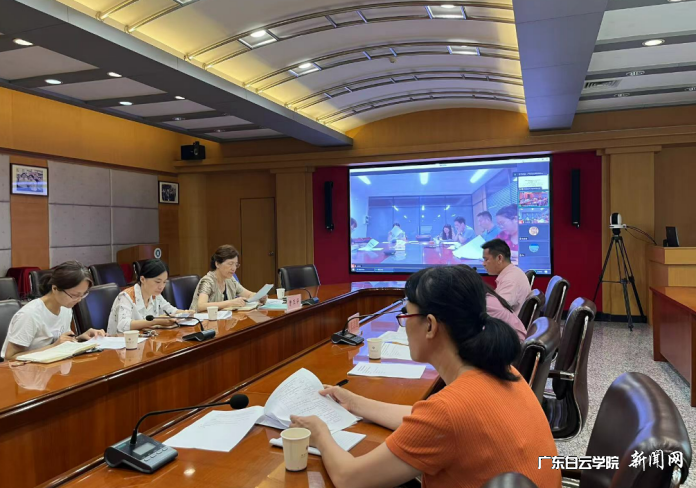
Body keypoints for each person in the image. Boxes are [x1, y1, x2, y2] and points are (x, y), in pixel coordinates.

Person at [289, 266, 560, 488]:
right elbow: (424, 420)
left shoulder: (449, 411)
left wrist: (320, 433)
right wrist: (355, 402)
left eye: (406, 315)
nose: (404, 323)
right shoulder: (502, 370)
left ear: (430, 325)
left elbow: (349, 479)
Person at [1, 261, 105, 360]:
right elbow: (10, 357)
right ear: (55, 288)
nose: (79, 300)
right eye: (74, 295)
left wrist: (80, 338)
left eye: (83, 294)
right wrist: (54, 346)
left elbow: (61, 342)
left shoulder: (65, 307)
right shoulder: (30, 314)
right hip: (25, 370)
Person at [107, 259, 190, 335]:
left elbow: (170, 310)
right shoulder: (125, 297)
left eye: (164, 282)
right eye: (157, 282)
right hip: (123, 343)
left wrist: (186, 313)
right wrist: (155, 321)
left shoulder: (155, 295)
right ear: (142, 279)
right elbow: (123, 325)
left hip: (146, 341)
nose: (161, 287)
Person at [190, 244, 268, 312]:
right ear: (217, 264)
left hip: (222, 321)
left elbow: (248, 295)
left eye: (236, 264)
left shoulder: (230, 279)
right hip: (202, 322)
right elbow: (201, 306)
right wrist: (231, 303)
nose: (234, 268)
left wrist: (259, 297)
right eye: (230, 264)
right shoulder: (207, 281)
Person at [481, 238, 531, 315]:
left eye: (486, 259)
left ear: (499, 258)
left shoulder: (510, 279)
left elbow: (497, 309)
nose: (483, 264)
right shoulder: (511, 273)